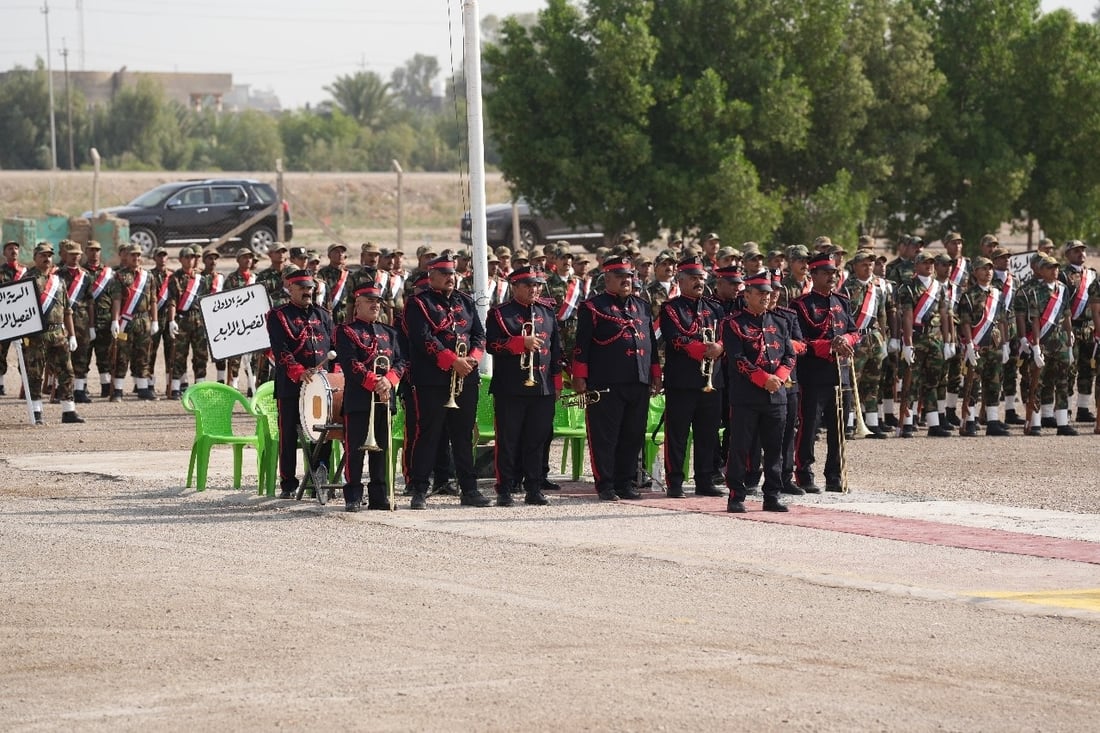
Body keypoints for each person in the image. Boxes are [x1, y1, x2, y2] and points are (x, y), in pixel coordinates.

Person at [402, 254, 491, 509]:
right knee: (428, 434)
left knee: (463, 435)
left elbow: (479, 335)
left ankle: (469, 489)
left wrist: (472, 359)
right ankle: (419, 488)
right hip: (433, 379)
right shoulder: (418, 303)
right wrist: (452, 360)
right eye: (444, 273)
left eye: (452, 273)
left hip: (465, 377)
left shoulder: (465, 301)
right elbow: (422, 337)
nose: (450, 278)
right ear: (431, 276)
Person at [572, 255, 662, 502]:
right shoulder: (592, 307)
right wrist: (579, 376)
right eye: (620, 277)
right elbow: (581, 345)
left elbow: (651, 343)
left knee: (633, 434)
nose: (626, 281)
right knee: (605, 435)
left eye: (629, 277)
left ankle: (625, 482)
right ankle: (606, 484)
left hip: (638, 379)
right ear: (607, 278)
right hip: (606, 381)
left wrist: (655, 373)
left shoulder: (641, 306)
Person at [485, 265, 562, 506]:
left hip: (542, 387)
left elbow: (556, 351)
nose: (534, 289)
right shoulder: (500, 313)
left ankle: (534, 487)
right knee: (508, 440)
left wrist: (557, 382)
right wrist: (519, 343)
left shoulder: (547, 312)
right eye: (528, 284)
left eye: (537, 284)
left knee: (537, 439)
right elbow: (492, 345)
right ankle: (505, 488)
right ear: (514, 286)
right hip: (511, 387)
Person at [722, 271, 796, 513]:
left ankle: (772, 495)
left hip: (777, 396)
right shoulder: (733, 323)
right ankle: (736, 495)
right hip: (746, 396)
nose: (767, 297)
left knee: (775, 448)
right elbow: (737, 358)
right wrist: (763, 379)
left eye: (769, 293)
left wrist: (780, 378)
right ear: (747, 295)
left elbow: (789, 355)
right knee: (740, 447)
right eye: (761, 293)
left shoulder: (780, 322)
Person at [791, 253, 859, 491]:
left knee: (838, 428)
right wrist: (830, 345)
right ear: (814, 274)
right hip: (814, 375)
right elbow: (800, 342)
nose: (832, 276)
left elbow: (854, 330)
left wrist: (846, 340)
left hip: (841, 374)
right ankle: (804, 473)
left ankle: (834, 475)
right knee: (809, 427)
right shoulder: (800, 305)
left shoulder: (842, 301)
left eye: (834, 272)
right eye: (826, 273)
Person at [335, 284, 406, 511]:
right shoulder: (347, 331)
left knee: (381, 450)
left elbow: (401, 362)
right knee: (355, 450)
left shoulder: (390, 332)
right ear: (358, 304)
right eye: (369, 301)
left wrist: (390, 380)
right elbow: (350, 364)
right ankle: (353, 495)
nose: (376, 305)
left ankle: (379, 495)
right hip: (359, 400)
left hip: (385, 399)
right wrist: (376, 383)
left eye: (378, 301)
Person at [659, 255, 725, 498]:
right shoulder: (671, 308)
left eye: (702, 278)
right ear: (681, 280)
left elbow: (726, 335)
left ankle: (705, 480)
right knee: (677, 433)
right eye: (694, 278)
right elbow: (674, 337)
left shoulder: (715, 307)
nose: (699, 282)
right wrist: (703, 350)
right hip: (683, 381)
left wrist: (719, 347)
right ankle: (675, 481)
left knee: (707, 433)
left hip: (712, 380)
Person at [267, 268, 337, 498]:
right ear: (291, 289)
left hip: (321, 387)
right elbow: (281, 351)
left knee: (323, 431)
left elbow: (333, 348)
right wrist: (298, 372)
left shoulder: (324, 315)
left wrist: (334, 374)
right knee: (288, 435)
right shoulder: (279, 315)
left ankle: (319, 475)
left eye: (310, 288)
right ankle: (288, 483)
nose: (308, 292)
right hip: (292, 386)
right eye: (302, 288)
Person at [24, 242, 84, 424]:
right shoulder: (27, 279)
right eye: (42, 255)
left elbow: (67, 311)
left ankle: (69, 411)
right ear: (35, 258)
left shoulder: (58, 281)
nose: (47, 258)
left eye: (49, 255)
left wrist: (72, 334)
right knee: (35, 373)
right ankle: (36, 412)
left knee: (66, 371)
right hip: (36, 335)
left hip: (58, 333)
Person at [898, 250, 953, 437]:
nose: (928, 266)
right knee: (911, 382)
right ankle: (907, 423)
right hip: (917, 338)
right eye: (924, 262)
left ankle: (933, 424)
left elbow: (945, 315)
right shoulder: (908, 287)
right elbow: (907, 316)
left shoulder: (939, 287)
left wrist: (948, 341)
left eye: (931, 263)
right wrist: (907, 343)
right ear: (916, 265)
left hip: (935, 339)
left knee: (933, 382)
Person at [957, 256, 1011, 437]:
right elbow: (965, 323)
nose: (988, 272)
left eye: (990, 269)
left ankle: (993, 421)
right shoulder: (968, 296)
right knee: (973, 384)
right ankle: (969, 420)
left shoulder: (998, 294)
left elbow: (1002, 321)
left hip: (994, 346)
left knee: (994, 383)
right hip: (977, 346)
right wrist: (970, 344)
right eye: (983, 269)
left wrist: (1005, 344)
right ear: (975, 272)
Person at [841, 251, 889, 438]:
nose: (868, 267)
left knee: (873, 381)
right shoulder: (846, 287)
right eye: (864, 264)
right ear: (855, 266)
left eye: (871, 264)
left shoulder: (878, 285)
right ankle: (851, 424)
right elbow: (843, 316)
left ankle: (872, 423)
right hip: (856, 340)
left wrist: (884, 338)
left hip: (874, 338)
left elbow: (882, 313)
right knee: (853, 382)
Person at [1029, 255, 1077, 436]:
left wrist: (1069, 339)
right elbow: (1034, 321)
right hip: (1044, 341)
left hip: (1061, 342)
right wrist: (1036, 345)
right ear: (1041, 270)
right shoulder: (1035, 291)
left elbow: (1066, 315)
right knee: (1038, 382)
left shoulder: (1063, 289)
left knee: (1063, 381)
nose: (1055, 271)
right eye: (1050, 267)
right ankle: (1034, 423)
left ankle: (1063, 423)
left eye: (1056, 267)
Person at [108, 244, 159, 401]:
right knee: (122, 356)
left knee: (143, 355)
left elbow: (153, 300)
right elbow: (116, 299)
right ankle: (118, 390)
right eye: (132, 255)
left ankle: (143, 388)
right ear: (126, 256)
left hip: (144, 321)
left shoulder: (148, 276)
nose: (136, 258)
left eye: (138, 255)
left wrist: (155, 320)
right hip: (126, 321)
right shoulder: (119, 276)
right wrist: (115, 320)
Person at [1059, 240, 1097, 423]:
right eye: (1076, 251)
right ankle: (1065, 409)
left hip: (1089, 328)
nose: (1081, 253)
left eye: (1082, 250)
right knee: (1069, 369)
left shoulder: (1092, 274)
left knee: (1087, 369)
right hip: (1071, 326)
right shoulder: (1062, 275)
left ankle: (1083, 408)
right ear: (1068, 255)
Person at [165, 248, 209, 399]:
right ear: (180, 259)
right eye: (187, 257)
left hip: (199, 320)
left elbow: (207, 301)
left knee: (201, 355)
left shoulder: (201, 279)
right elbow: (172, 300)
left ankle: (200, 387)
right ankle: (176, 388)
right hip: (182, 320)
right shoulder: (175, 278)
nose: (190, 259)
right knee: (179, 354)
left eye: (193, 257)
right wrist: (171, 320)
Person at [57, 240, 95, 404]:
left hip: (81, 320)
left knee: (82, 356)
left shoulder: (86, 275)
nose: (74, 257)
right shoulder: (57, 275)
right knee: (62, 356)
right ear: (65, 255)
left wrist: (92, 325)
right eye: (71, 254)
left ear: (81, 255)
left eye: (77, 254)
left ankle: (79, 390)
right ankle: (62, 390)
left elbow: (90, 302)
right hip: (62, 319)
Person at [83, 240, 116, 398]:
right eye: (91, 250)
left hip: (105, 320)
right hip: (83, 321)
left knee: (105, 356)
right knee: (83, 356)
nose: (94, 253)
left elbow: (115, 296)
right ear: (86, 252)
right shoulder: (81, 272)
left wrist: (115, 320)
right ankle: (81, 388)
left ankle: (105, 386)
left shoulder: (109, 273)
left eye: (97, 250)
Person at [223, 247, 259, 392]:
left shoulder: (256, 278)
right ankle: (234, 386)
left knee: (254, 357)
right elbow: (225, 301)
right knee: (235, 357)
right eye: (244, 257)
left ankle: (252, 386)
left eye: (250, 257)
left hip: (253, 322)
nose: (248, 260)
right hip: (236, 323)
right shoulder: (231, 278)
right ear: (238, 260)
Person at [0, 240, 30, 396]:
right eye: (10, 248)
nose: (14, 251)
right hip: (4, 319)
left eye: (16, 248)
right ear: (4, 253)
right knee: (0, 352)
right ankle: (0, 384)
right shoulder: (0, 272)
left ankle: (26, 386)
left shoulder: (27, 272)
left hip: (23, 319)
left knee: (26, 353)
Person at [148, 246, 174, 398]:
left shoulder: (172, 275)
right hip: (154, 317)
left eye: (164, 256)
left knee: (171, 353)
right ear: (154, 258)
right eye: (159, 256)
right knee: (151, 352)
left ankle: (170, 385)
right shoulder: (149, 275)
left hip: (169, 317)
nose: (162, 258)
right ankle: (149, 384)